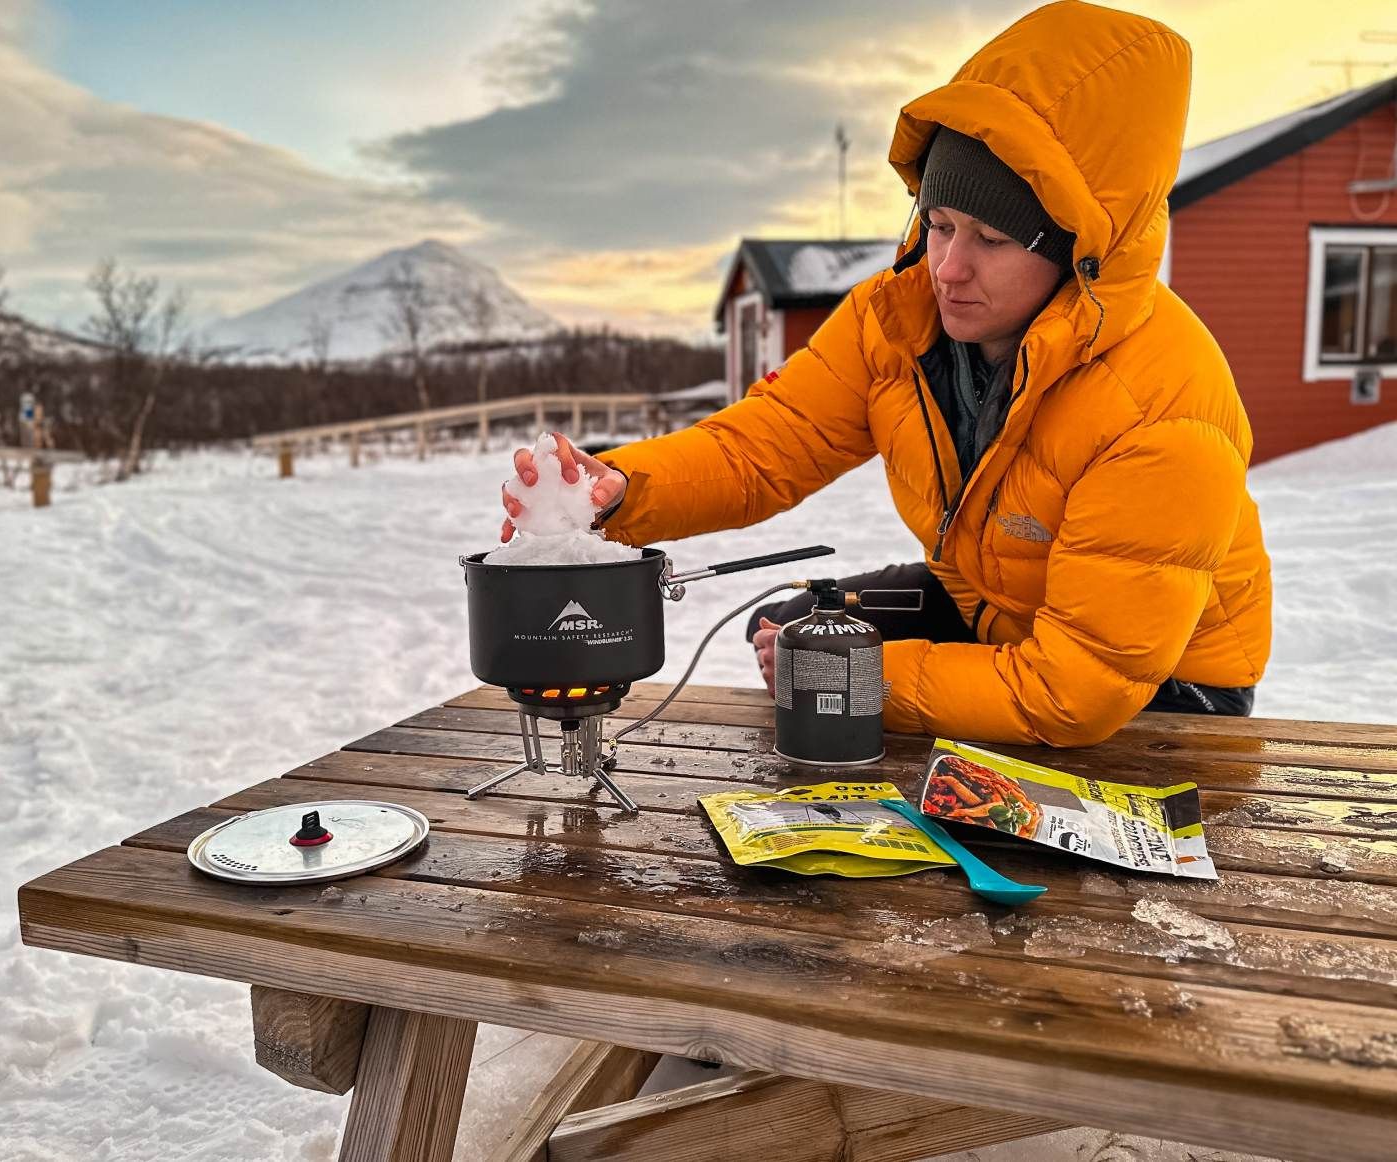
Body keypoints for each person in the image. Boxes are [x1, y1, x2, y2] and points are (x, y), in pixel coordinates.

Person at [501, 0, 1272, 747]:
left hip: (1162, 691)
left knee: (823, 673)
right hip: (988, 603)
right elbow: (769, 443)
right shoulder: (899, 320)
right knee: (792, 627)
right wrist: (623, 489)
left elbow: (1075, 693)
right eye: (938, 225)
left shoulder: (1163, 404)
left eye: (992, 240)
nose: (949, 268)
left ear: (1080, 250)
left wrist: (854, 680)